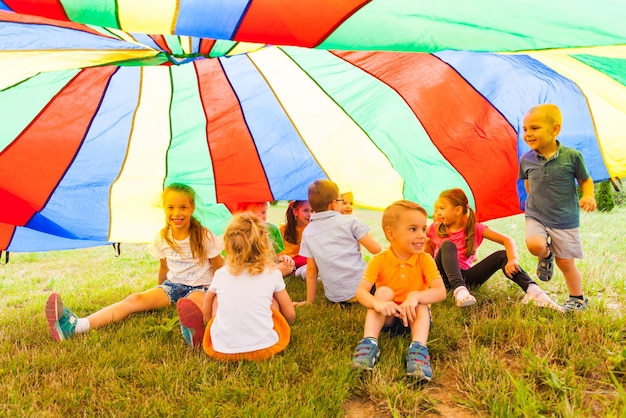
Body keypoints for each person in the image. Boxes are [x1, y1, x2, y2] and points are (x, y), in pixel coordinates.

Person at [45, 183, 224, 341]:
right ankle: (76, 327)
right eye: (171, 208)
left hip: (201, 288)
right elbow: (163, 267)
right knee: (135, 299)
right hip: (174, 286)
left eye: (183, 207)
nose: (177, 213)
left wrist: (219, 294)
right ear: (164, 209)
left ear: (191, 208)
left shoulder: (203, 235)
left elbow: (218, 267)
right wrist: (158, 293)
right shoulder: (162, 237)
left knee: (190, 305)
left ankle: (194, 332)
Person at [176, 212, 296, 360]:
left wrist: (209, 322)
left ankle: (212, 331)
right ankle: (263, 329)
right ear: (264, 244)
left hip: (221, 351)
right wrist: (283, 325)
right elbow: (290, 314)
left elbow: (207, 303)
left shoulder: (221, 274)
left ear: (228, 246)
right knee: (273, 299)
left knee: (216, 300)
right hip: (266, 348)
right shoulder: (272, 274)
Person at [351, 200, 446, 381]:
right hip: (387, 317)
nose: (422, 236)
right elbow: (361, 292)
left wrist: (416, 296)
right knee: (383, 292)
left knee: (420, 302)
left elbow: (440, 292)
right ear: (391, 234)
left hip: (414, 319)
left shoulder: (424, 260)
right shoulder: (379, 260)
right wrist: (378, 303)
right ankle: (369, 343)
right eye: (413, 229)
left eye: (423, 229)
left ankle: (418, 349)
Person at [427, 188, 563, 311]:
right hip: (441, 280)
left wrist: (512, 260)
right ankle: (459, 290)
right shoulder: (435, 228)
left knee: (502, 255)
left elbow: (507, 240)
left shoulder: (475, 228)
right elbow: (416, 242)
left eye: (442, 208)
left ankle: (534, 291)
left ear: (457, 210)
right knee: (448, 245)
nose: (438, 212)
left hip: (466, 279)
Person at [519, 104, 596, 312]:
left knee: (565, 263)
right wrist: (533, 203)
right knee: (535, 244)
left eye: (535, 128)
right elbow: (528, 184)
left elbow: (585, 180)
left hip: (564, 219)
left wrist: (588, 195)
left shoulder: (571, 156)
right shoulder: (526, 160)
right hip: (536, 215)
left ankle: (577, 298)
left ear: (555, 130)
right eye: (525, 129)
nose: (528, 133)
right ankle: (545, 255)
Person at [294, 179, 381, 305]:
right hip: (365, 288)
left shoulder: (308, 232)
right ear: (333, 204)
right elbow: (376, 249)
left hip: (336, 298)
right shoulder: (350, 221)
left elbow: (311, 270)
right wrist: (369, 237)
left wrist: (309, 301)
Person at [234, 201, 295, 277]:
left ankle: (262, 277)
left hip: (268, 267)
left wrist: (283, 258)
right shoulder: (239, 232)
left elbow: (277, 256)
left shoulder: (273, 229)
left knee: (289, 265)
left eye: (263, 212)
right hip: (248, 267)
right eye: (253, 213)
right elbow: (234, 258)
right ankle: (263, 278)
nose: (259, 216)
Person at [279, 200, 312, 278]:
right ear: (295, 212)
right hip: (288, 262)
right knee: (286, 266)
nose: (310, 214)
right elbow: (278, 251)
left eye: (313, 211)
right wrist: (282, 258)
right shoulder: (283, 229)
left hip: (305, 262)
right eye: (306, 210)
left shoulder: (313, 229)